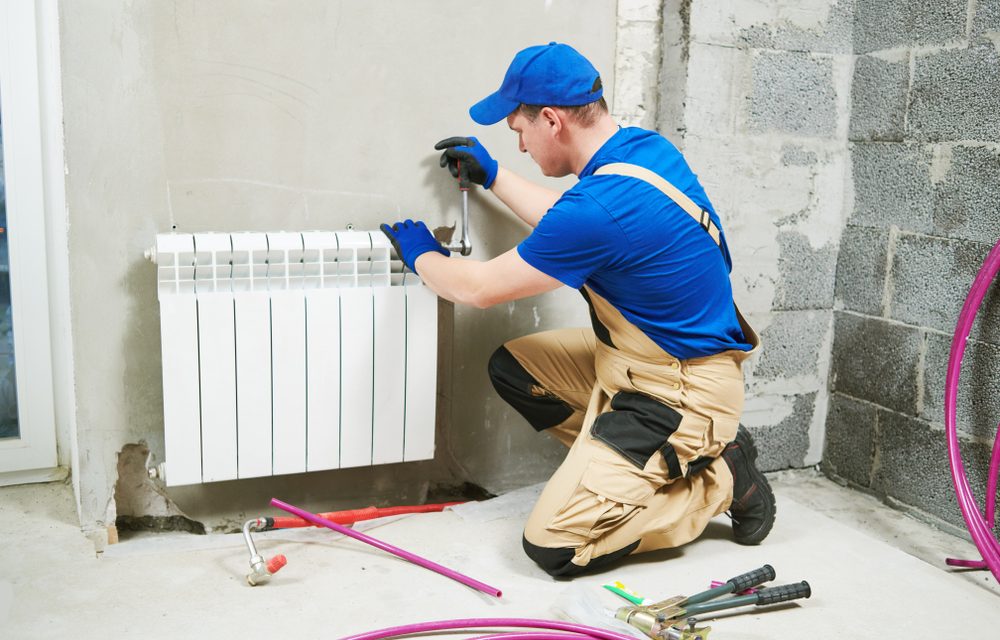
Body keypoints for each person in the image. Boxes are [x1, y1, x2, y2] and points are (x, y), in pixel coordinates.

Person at [381, 42, 775, 577]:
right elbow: (574, 222)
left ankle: (720, 479)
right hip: (638, 364)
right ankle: (626, 466)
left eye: (519, 131)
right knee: (515, 369)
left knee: (555, 546)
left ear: (551, 120)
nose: (520, 146)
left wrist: (421, 255)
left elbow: (478, 288)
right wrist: (493, 175)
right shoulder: (642, 151)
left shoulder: (600, 209)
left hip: (681, 393)